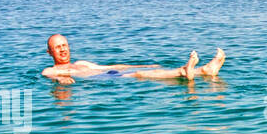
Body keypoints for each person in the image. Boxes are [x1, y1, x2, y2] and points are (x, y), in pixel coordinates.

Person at [42, 34, 225, 84]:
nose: (63, 50)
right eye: (57, 47)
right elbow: (53, 76)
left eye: (64, 45)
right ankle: (183, 71)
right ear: (50, 52)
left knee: (140, 70)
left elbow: (112, 66)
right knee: (139, 75)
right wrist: (62, 79)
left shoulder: (81, 63)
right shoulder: (51, 70)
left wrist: (144, 64)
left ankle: (205, 71)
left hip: (108, 74)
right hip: (100, 81)